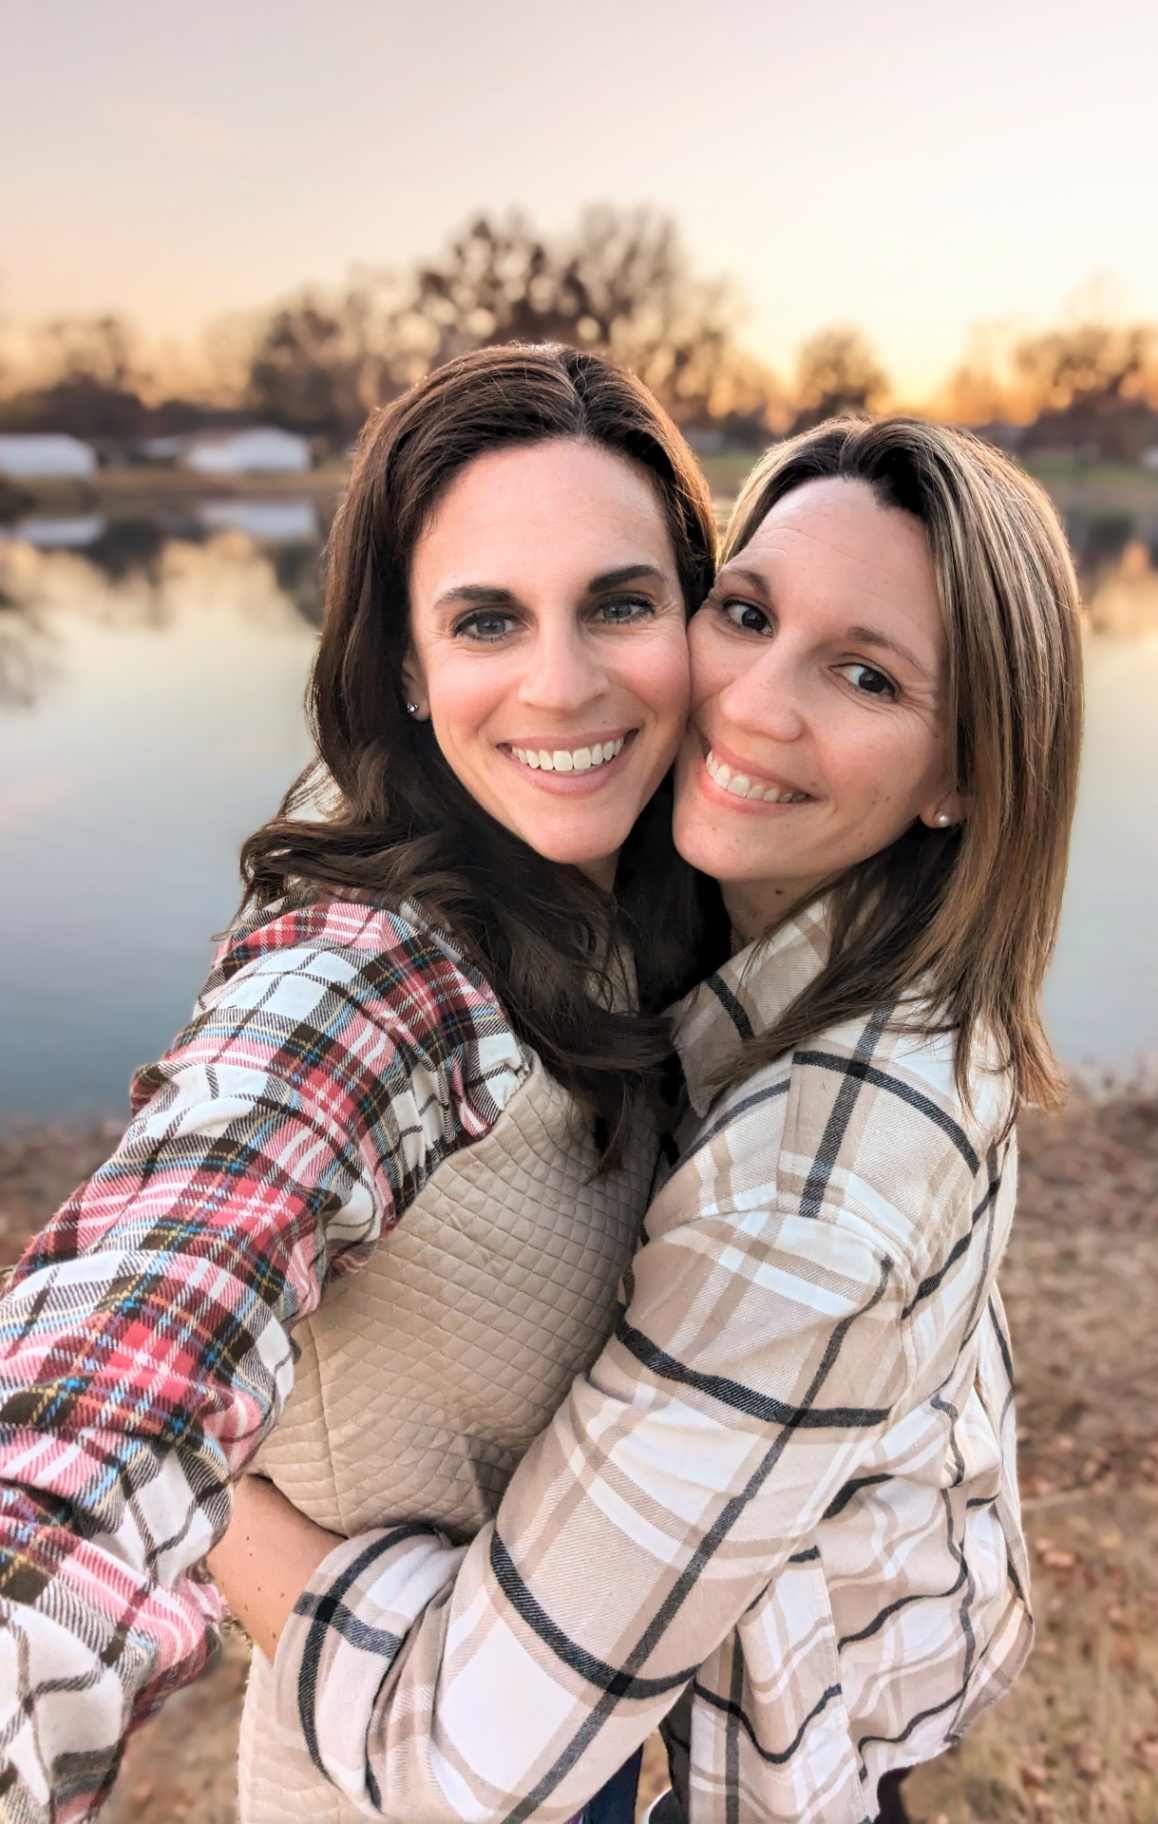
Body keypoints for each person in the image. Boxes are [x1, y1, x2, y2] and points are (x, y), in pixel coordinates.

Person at [214, 414, 1084, 1823]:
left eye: (865, 674)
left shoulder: (797, 1207)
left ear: (963, 778)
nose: (750, 704)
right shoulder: (876, 949)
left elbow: (467, 1754)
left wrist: (213, 1496)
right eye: (744, 613)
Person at [0, 343, 723, 1824]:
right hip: (382, 1784)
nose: (562, 682)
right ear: (404, 661)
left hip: (586, 1755)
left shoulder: (654, 898)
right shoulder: (375, 968)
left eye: (621, 602)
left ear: (697, 614)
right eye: (486, 620)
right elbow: (138, 1335)